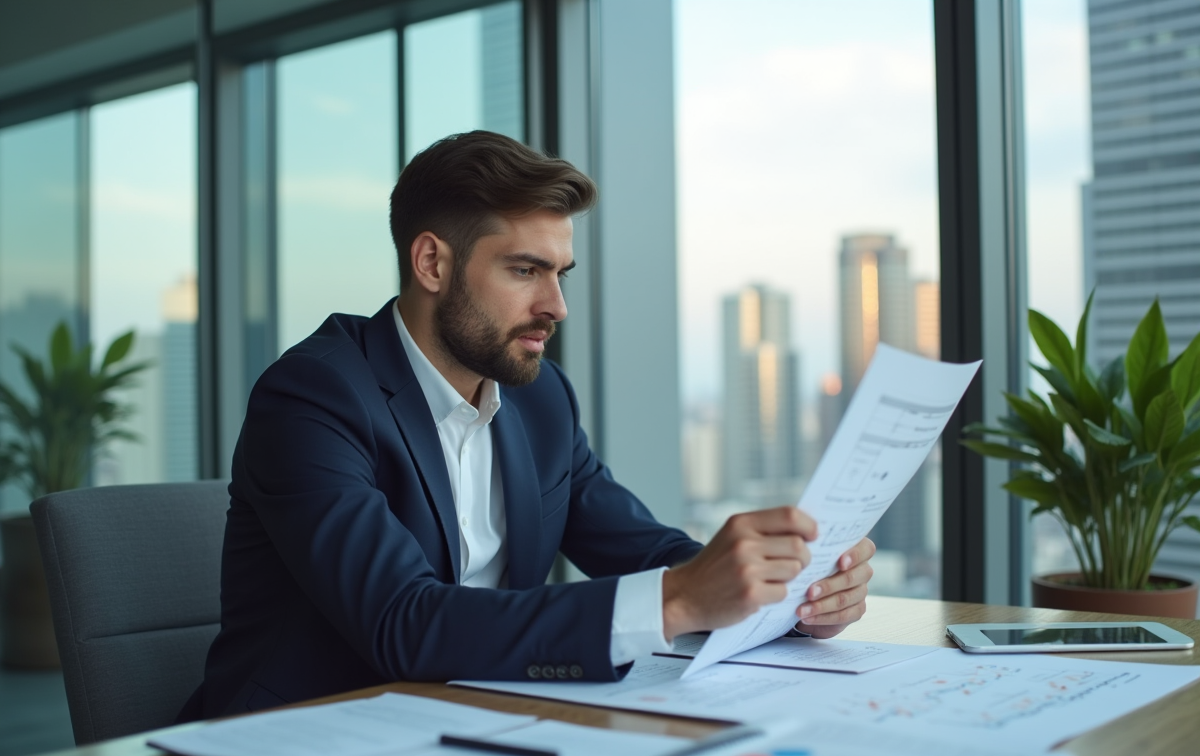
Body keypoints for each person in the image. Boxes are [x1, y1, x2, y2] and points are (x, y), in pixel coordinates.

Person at [181, 131, 874, 720]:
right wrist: (681, 599)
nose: (556, 305)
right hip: (301, 741)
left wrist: (781, 590)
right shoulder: (314, 397)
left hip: (482, 723)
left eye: (561, 273)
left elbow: (635, 550)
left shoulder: (541, 400)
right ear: (432, 263)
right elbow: (402, 624)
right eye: (525, 270)